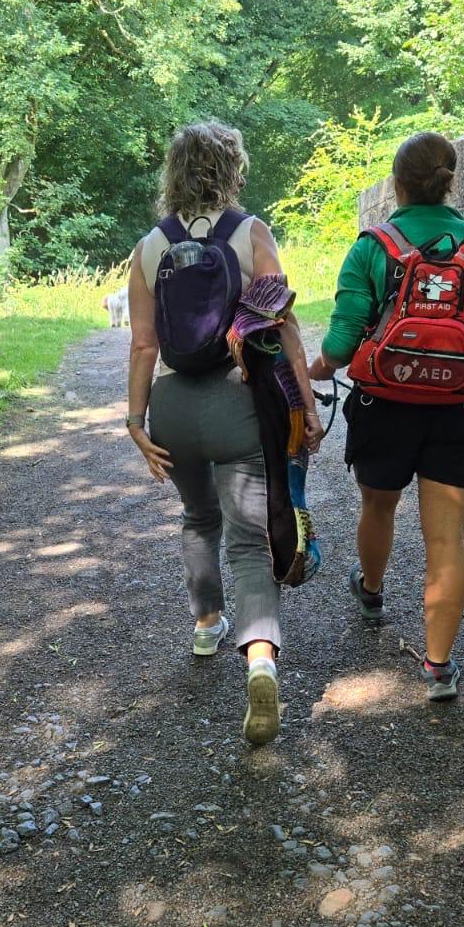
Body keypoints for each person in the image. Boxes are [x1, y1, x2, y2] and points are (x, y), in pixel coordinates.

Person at [126, 121, 323, 745]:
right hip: (240, 401)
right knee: (248, 541)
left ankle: (207, 621)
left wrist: (135, 422)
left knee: (197, 519)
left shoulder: (148, 247)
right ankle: (261, 659)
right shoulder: (252, 232)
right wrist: (307, 402)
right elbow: (282, 322)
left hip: (174, 407)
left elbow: (142, 345)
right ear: (233, 168)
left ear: (173, 173)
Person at [308, 130, 464, 701]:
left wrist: (313, 370)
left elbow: (344, 341)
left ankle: (371, 590)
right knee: (447, 537)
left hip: (384, 405)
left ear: (397, 183)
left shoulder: (373, 246)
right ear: (451, 181)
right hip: (459, 410)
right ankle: (438, 666)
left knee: (378, 504)